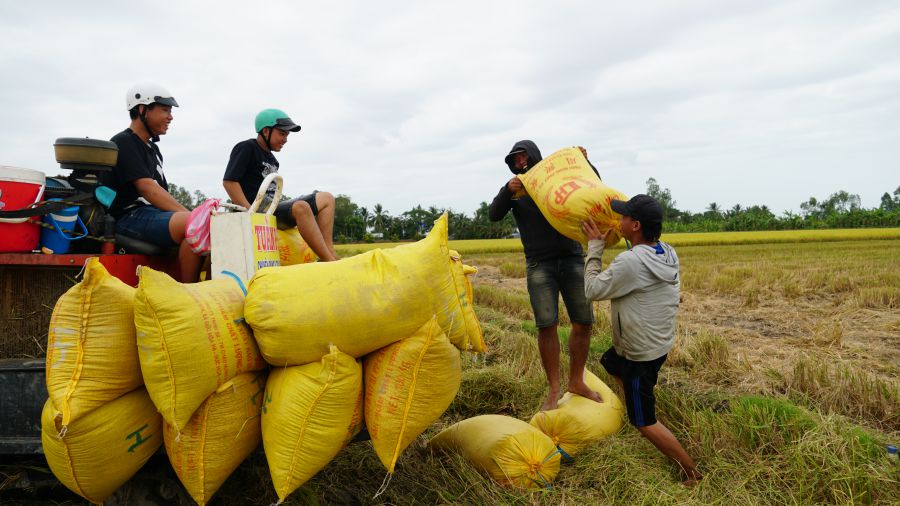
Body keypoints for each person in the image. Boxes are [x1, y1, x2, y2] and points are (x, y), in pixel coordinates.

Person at [582, 194, 702, 486]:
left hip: (639, 353)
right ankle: (635, 403)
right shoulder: (665, 251)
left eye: (624, 217)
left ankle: (691, 472)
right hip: (657, 343)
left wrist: (595, 247)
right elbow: (636, 263)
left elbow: (592, 290)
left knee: (644, 421)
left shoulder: (631, 262)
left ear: (635, 225)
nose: (619, 220)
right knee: (610, 362)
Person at [489, 140, 601, 411]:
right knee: (546, 325)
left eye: (523, 156)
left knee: (583, 321)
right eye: (515, 160)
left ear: (534, 155)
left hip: (572, 258)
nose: (520, 162)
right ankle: (553, 389)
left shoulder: (558, 178)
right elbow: (493, 214)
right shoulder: (516, 190)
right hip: (539, 264)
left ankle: (576, 381)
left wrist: (585, 162)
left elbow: (593, 185)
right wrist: (507, 190)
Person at [106, 82, 201, 283]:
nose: (170, 116)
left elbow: (160, 193)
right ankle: (189, 293)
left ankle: (201, 286)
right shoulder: (123, 141)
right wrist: (193, 217)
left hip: (151, 214)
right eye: (165, 110)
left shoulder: (153, 149)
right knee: (198, 224)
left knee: (211, 226)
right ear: (143, 110)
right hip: (129, 216)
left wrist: (193, 217)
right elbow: (147, 189)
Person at [222, 108, 339, 262]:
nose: (285, 139)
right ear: (266, 131)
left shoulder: (273, 159)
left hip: (273, 208)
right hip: (257, 211)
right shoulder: (246, 148)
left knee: (327, 198)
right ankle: (329, 261)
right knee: (301, 207)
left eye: (287, 135)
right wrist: (251, 213)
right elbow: (229, 182)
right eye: (282, 133)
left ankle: (329, 252)